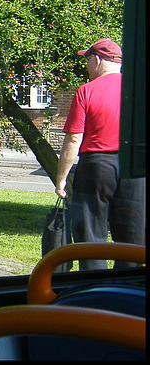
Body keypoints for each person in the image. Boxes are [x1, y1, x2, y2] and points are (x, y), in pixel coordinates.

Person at [55, 38, 145, 270]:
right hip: (134, 168)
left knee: (90, 232)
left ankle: (93, 285)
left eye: (86, 60)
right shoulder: (138, 91)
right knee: (132, 234)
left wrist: (62, 178)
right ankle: (126, 287)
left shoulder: (86, 91)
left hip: (96, 166)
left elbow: (74, 138)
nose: (86, 66)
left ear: (96, 60)